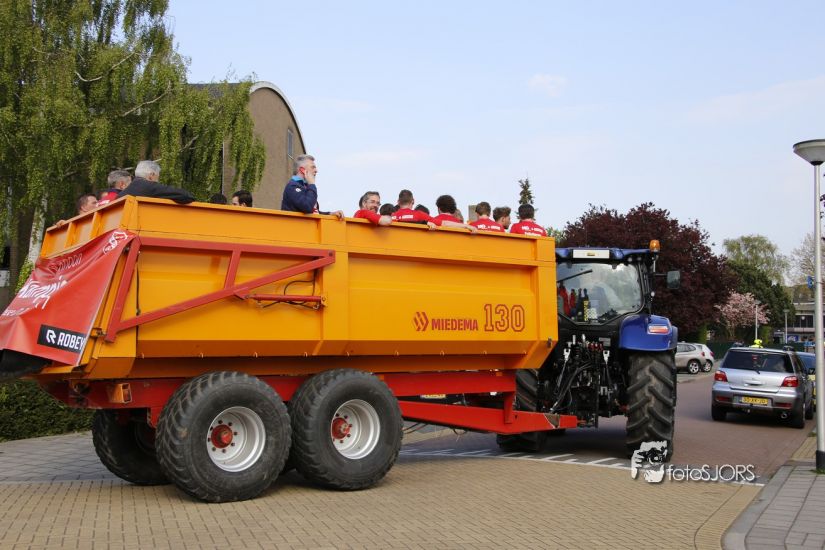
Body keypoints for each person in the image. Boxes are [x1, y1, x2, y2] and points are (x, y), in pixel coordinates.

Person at [281, 154, 343, 219]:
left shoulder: (304, 186)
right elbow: (307, 207)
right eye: (313, 167)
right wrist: (312, 184)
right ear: (302, 170)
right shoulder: (292, 186)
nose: (316, 170)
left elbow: (313, 212)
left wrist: (330, 214)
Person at [117, 160, 195, 204]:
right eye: (157, 177)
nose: (157, 181)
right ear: (151, 175)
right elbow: (186, 196)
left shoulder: (120, 195)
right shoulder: (150, 187)